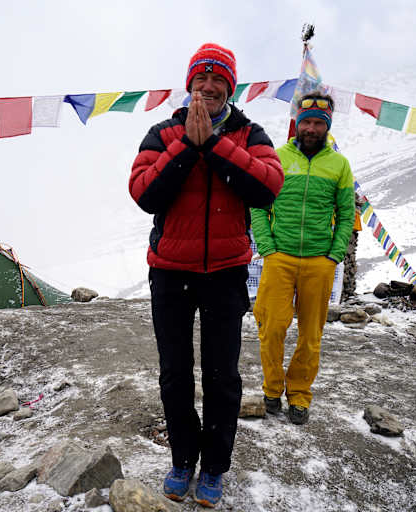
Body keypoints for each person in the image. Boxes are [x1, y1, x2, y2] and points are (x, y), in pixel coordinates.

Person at [129, 43, 283, 507]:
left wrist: (213, 146)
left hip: (225, 273)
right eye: (202, 78)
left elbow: (268, 186)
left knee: (222, 376)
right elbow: (144, 193)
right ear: (190, 83)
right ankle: (182, 460)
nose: (209, 87)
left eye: (219, 80)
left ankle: (214, 467)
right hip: (170, 273)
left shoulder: (249, 133)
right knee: (175, 374)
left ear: (230, 87)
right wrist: (186, 146)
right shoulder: (163, 133)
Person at [250, 91, 355, 425]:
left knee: (311, 336)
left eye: (318, 123)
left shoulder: (339, 165)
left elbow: (347, 213)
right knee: (272, 327)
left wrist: (334, 254)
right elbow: (258, 205)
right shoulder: (277, 157)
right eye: (306, 122)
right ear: (297, 123)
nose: (311, 129)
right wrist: (267, 247)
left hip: (318, 262)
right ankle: (272, 389)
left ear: (327, 126)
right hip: (279, 258)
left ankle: (299, 395)